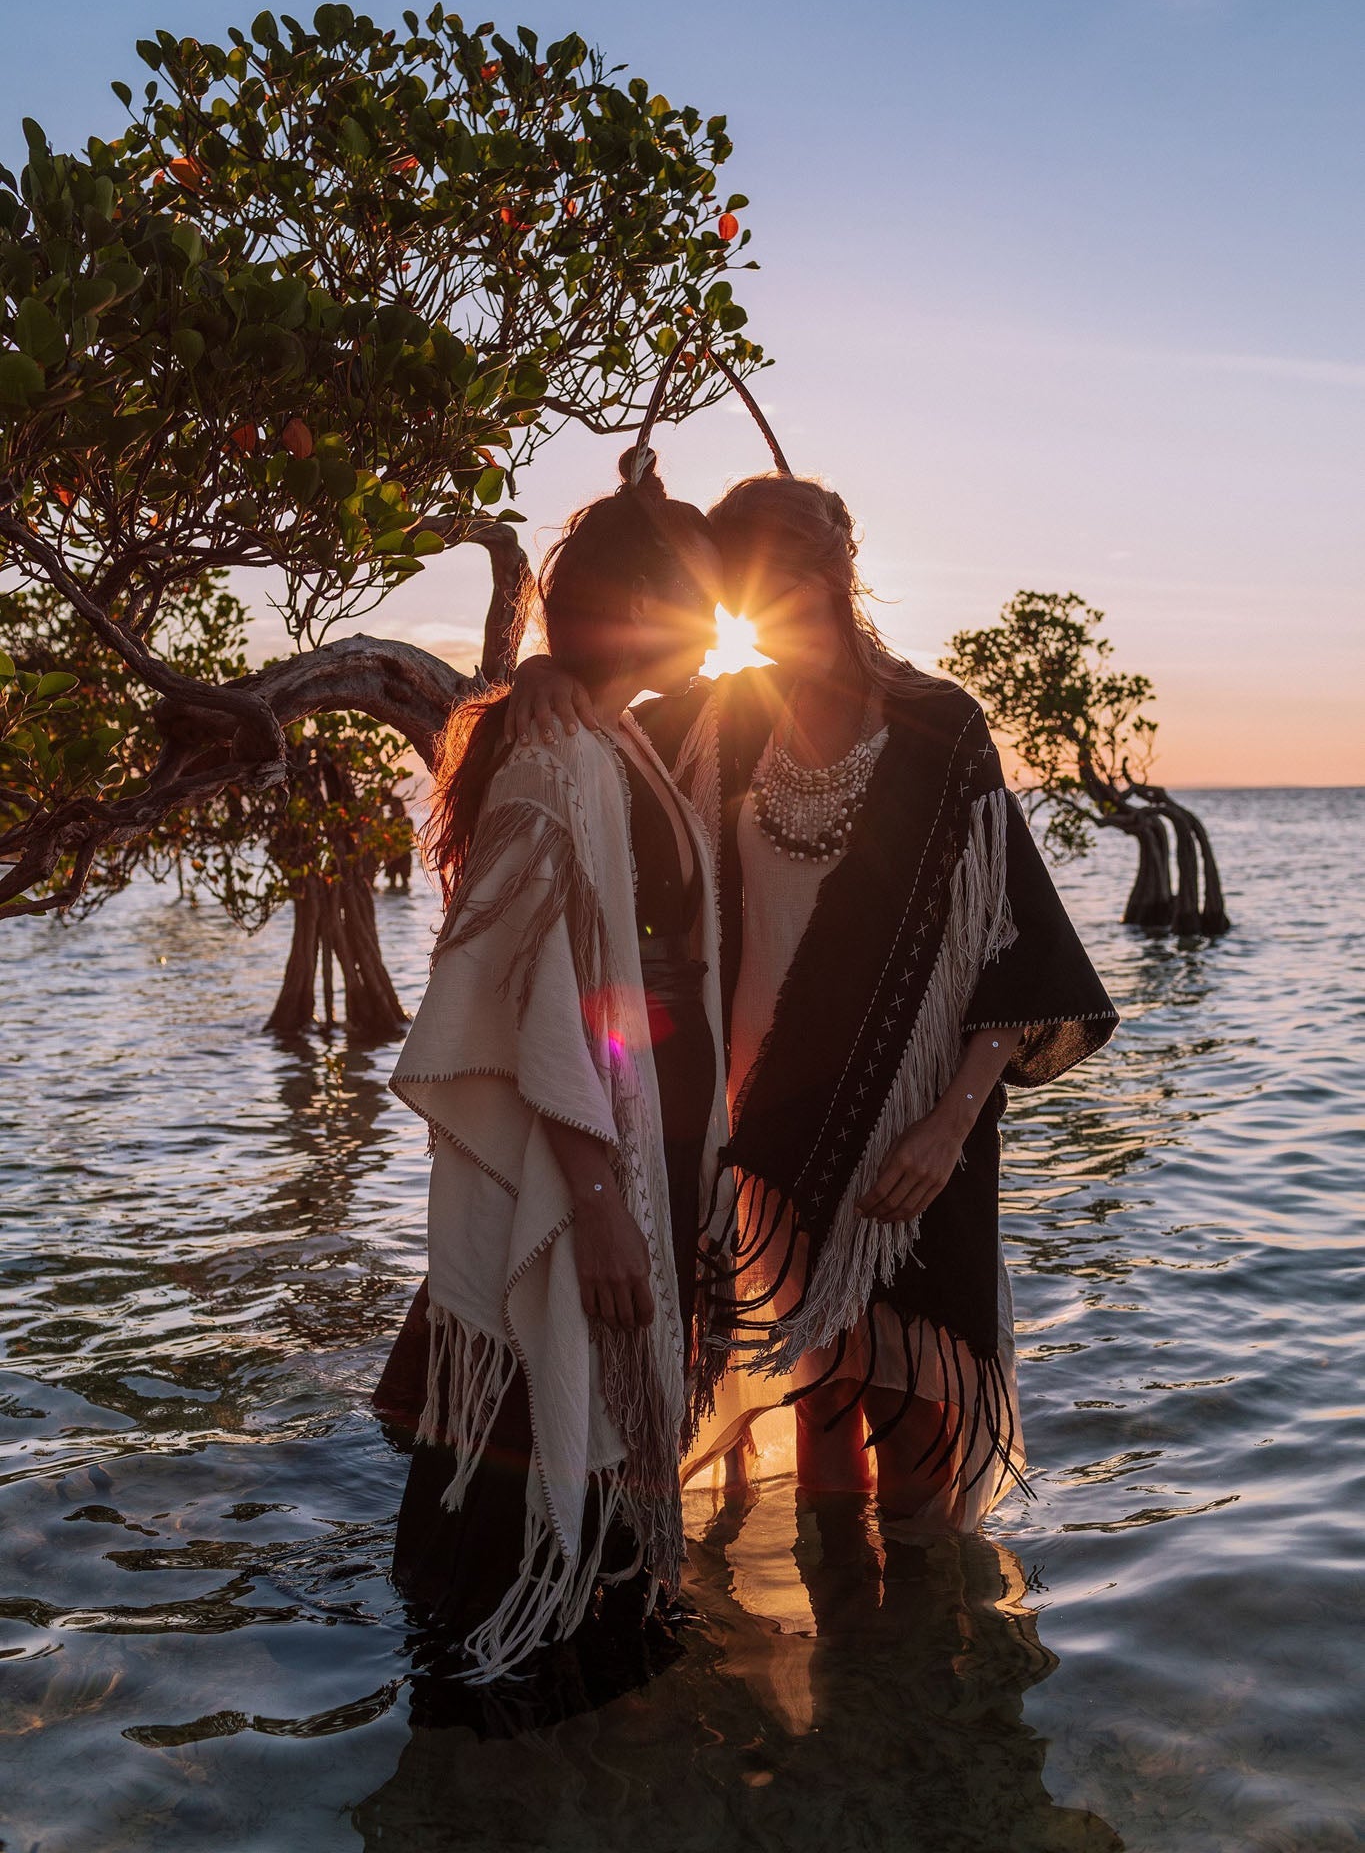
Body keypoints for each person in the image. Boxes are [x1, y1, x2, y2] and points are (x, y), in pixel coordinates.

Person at [506, 468, 1119, 1527]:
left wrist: (948, 1121)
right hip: (774, 1145)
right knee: (828, 1469)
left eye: (785, 571)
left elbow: (1023, 951)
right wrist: (539, 677)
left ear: (837, 571)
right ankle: (846, 1682)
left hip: (921, 1145)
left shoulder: (939, 727)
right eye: (741, 581)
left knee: (923, 1461)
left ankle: (923, 1685)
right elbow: (602, 707)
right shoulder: (718, 715)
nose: (764, 598)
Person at [383, 452, 736, 1690]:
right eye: (701, 597)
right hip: (585, 1144)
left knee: (595, 1382)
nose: (719, 624)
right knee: (549, 1372)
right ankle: (516, 1661)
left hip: (648, 1126)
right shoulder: (555, 756)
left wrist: (539, 668)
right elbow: (526, 994)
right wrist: (594, 1202)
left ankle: (574, 1636)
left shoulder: (618, 733)